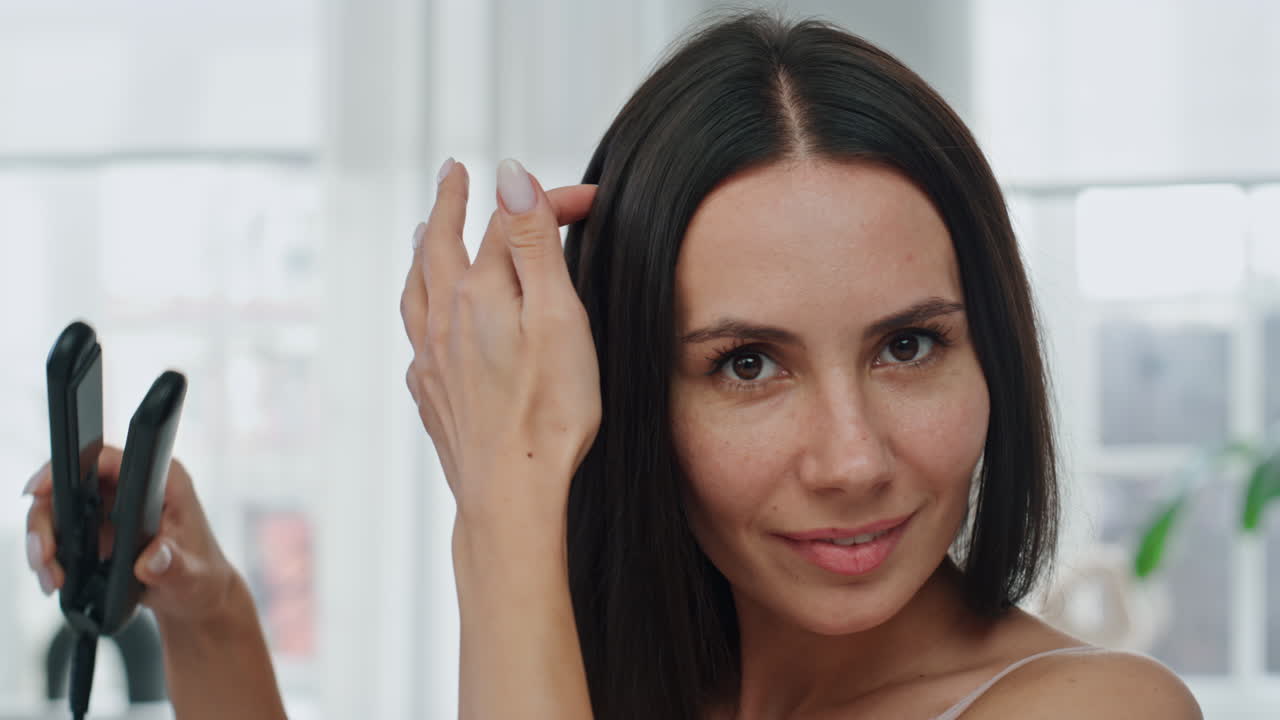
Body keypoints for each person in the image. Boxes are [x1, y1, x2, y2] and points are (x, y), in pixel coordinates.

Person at [23, 11, 1202, 719]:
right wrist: (207, 609)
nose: (852, 458)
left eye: (908, 345)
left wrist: (508, 480)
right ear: (634, 388)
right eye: (747, 364)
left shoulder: (1096, 709)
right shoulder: (620, 685)